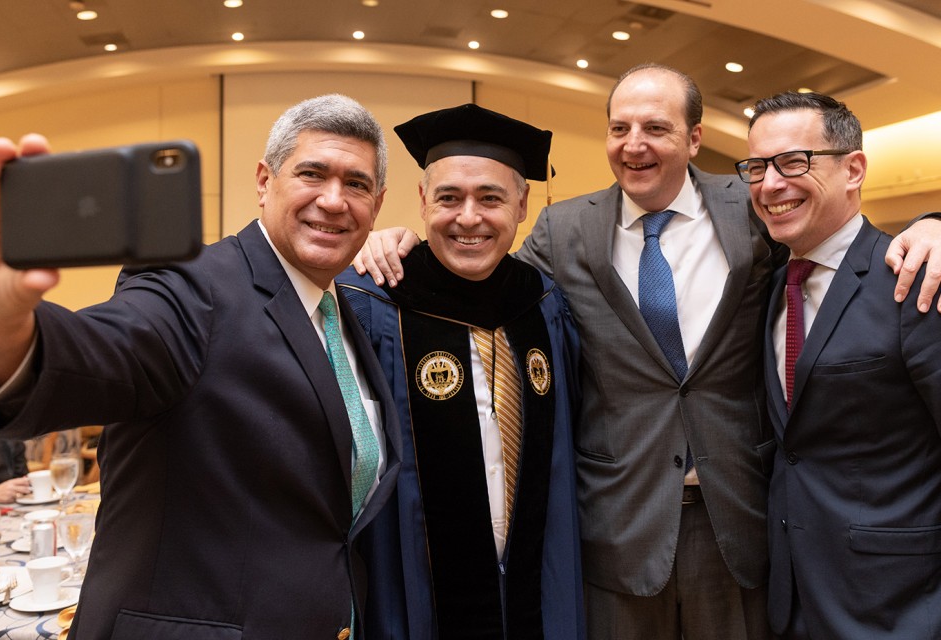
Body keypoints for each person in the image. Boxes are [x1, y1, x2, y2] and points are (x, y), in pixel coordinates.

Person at [353, 64, 941, 639]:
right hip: (618, 526)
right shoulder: (564, 231)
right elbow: (482, 268)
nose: (635, 145)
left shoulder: (754, 204)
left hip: (739, 519)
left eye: (656, 128)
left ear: (694, 138)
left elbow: (831, 225)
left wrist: (932, 224)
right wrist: (398, 239)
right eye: (619, 128)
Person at [0, 94, 401, 640]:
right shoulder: (195, 284)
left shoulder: (346, 312)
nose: (334, 201)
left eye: (356, 184)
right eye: (312, 173)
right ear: (265, 181)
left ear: (378, 203)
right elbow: (108, 351)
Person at [337, 104, 584, 639]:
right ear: (423, 202)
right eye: (449, 197)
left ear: (521, 206)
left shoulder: (543, 304)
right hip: (416, 594)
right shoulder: (373, 302)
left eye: (490, 198)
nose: (468, 217)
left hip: (533, 586)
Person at [740, 91, 941, 639]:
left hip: (901, 606)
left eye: (793, 162)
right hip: (791, 600)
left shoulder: (915, 279)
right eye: (757, 167)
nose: (770, 184)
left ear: (853, 169)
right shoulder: (772, 285)